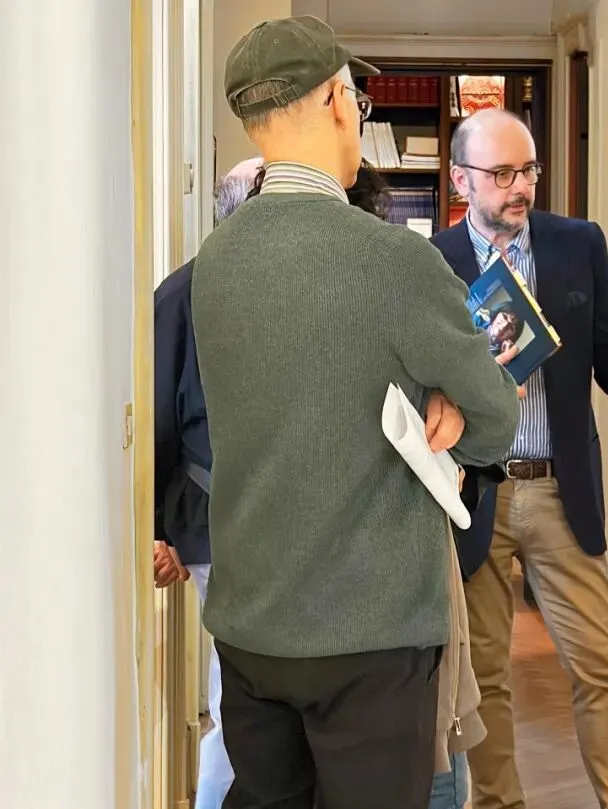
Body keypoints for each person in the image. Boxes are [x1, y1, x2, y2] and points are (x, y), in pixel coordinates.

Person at [190, 16, 520, 809]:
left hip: (250, 624)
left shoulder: (214, 263)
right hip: (370, 633)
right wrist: (449, 404)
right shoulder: (394, 259)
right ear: (337, 103)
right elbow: (494, 418)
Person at [432, 108, 608, 809]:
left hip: (559, 488)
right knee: (483, 679)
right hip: (475, 492)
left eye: (529, 170)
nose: (520, 186)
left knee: (601, 666)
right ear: (460, 179)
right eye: (501, 173)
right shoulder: (434, 262)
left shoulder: (578, 244)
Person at [152, 156, 263, 809]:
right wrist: (159, 531)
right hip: (214, 522)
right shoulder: (183, 294)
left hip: (278, 520)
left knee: (250, 694)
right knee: (237, 697)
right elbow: (160, 420)